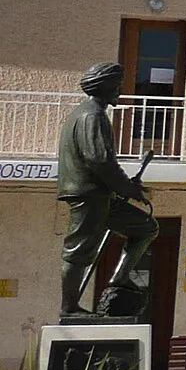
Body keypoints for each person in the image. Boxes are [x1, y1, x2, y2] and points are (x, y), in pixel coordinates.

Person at [57, 62, 156, 317]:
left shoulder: (91, 113)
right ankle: (69, 308)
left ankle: (119, 279)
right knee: (79, 251)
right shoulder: (91, 115)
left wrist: (124, 186)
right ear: (105, 86)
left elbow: (103, 163)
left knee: (145, 227)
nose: (120, 90)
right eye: (117, 85)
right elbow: (99, 160)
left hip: (101, 195)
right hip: (88, 195)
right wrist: (127, 187)